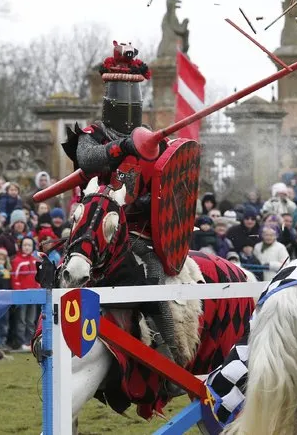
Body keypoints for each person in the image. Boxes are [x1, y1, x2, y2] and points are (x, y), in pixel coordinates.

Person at [55, 42, 186, 395]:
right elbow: (90, 161)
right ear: (107, 94)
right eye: (119, 90)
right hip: (92, 223)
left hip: (135, 230)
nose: (126, 98)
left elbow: (168, 186)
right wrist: (124, 146)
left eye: (131, 90)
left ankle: (170, 350)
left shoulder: (155, 139)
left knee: (153, 273)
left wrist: (147, 200)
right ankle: (47, 338)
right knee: (62, 268)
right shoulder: (92, 135)